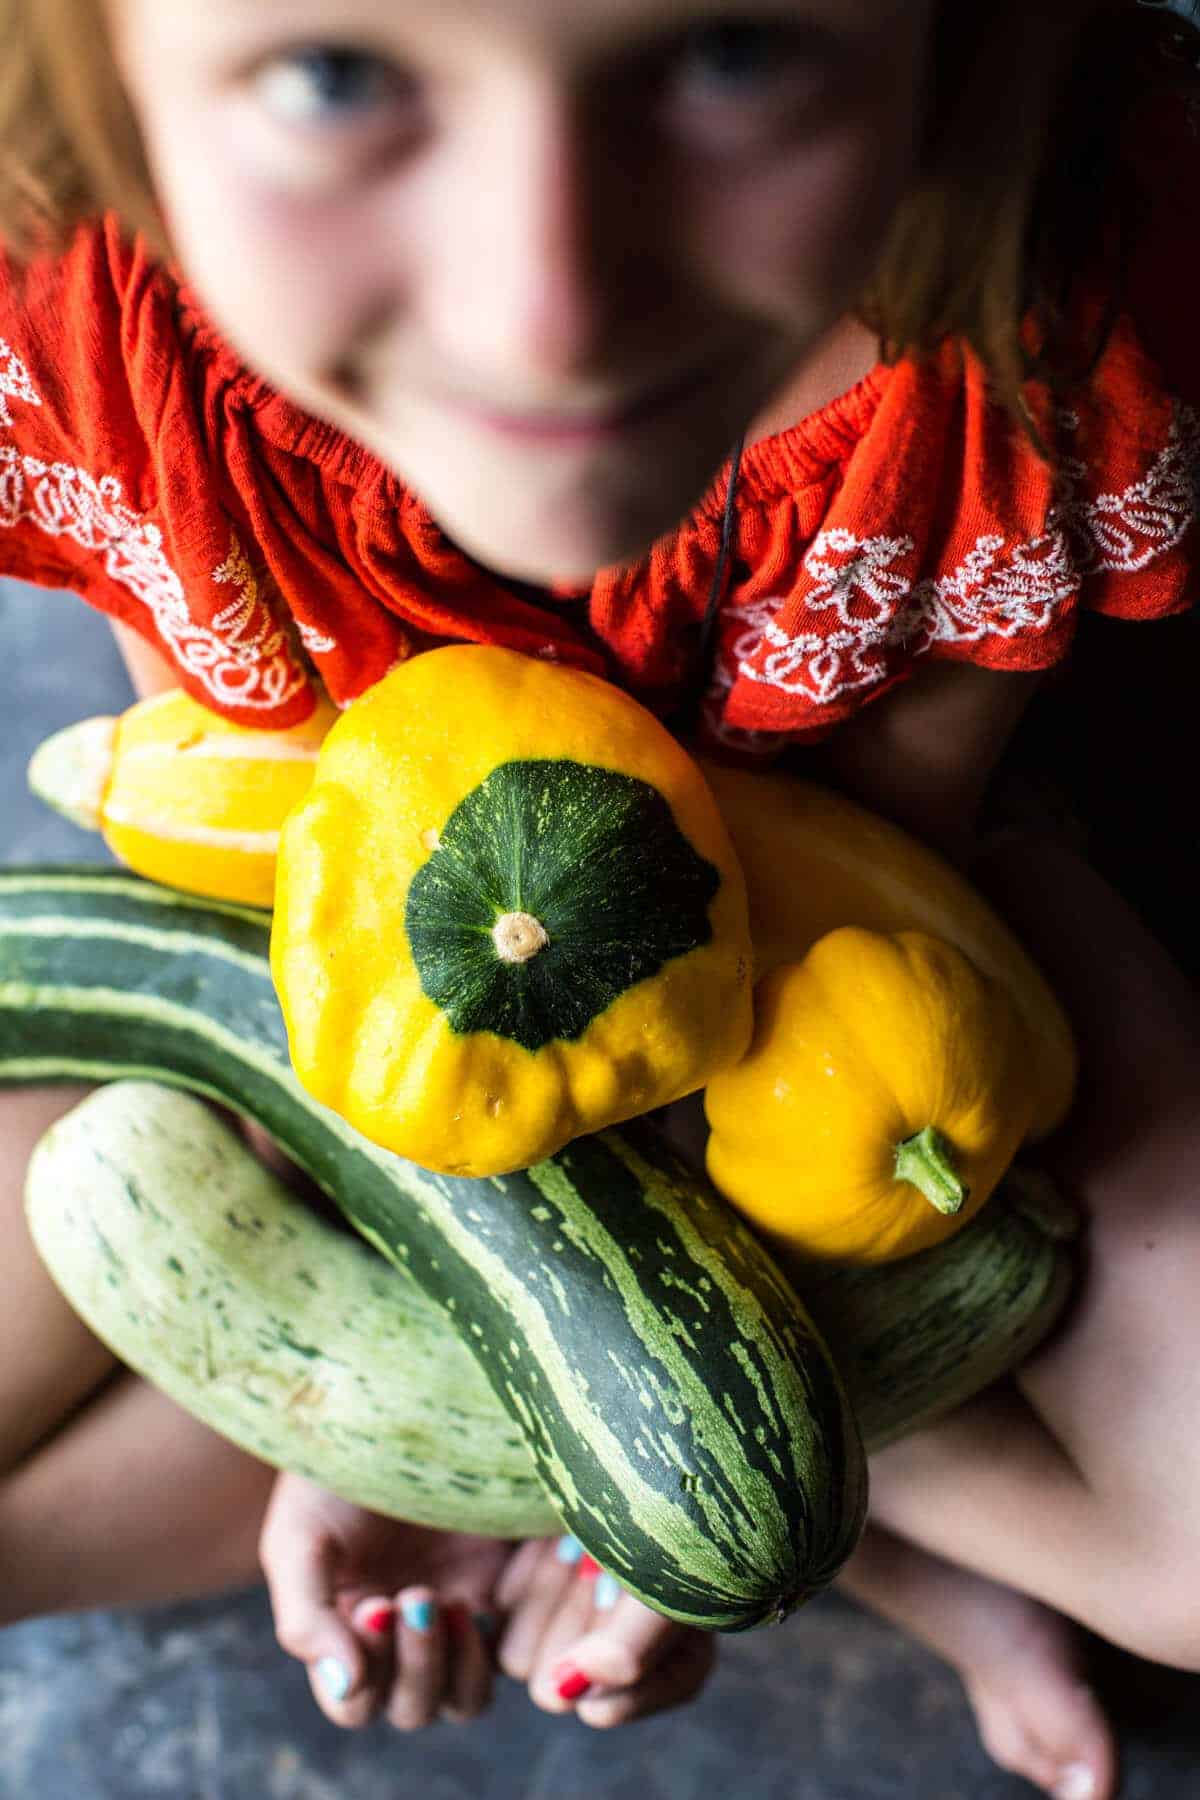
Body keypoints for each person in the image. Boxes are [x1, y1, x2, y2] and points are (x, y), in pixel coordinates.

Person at [0, 0, 1197, 1793]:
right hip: (388, 1025)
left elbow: (876, 873)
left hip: (881, 980)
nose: (542, 310)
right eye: (334, 75)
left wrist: (618, 1417)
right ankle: (844, 1508)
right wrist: (445, 1363)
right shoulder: (91, 305)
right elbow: (260, 863)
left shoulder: (1028, 292)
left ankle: (819, 1504)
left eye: (732, 53)